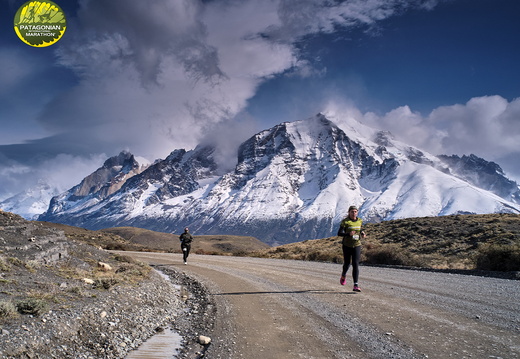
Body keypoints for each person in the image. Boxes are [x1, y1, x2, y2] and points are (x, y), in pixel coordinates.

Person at [337, 206, 366, 292]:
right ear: (349, 212)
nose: (354, 213)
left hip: (357, 244)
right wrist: (348, 234)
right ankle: (343, 275)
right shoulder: (345, 222)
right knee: (347, 264)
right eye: (352, 212)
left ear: (357, 212)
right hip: (347, 245)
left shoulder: (360, 220)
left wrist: (363, 233)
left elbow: (360, 229)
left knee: (355, 264)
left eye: (355, 211)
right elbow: (339, 233)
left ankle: (355, 285)